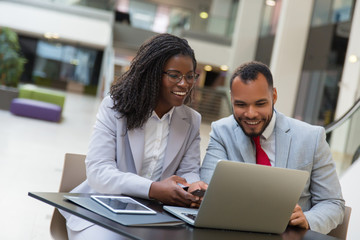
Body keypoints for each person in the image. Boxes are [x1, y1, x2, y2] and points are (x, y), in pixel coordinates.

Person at [62, 33, 207, 240]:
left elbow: (189, 171)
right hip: (102, 210)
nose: (184, 84)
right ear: (153, 74)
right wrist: (153, 189)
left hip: (157, 217)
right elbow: (98, 171)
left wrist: (193, 186)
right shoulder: (115, 108)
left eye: (190, 76)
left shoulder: (191, 120)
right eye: (175, 75)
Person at [200, 61, 345, 234]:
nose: (251, 113)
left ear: (274, 96)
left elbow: (333, 203)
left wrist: (308, 219)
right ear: (231, 98)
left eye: (260, 104)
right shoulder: (221, 132)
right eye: (241, 104)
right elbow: (208, 194)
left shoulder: (311, 137)